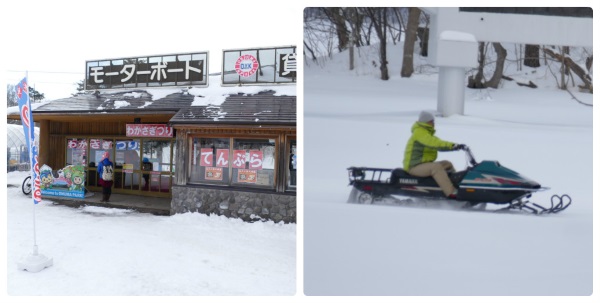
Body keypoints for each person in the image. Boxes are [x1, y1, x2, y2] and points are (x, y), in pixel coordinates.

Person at [403, 111, 465, 199]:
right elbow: (434, 143)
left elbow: (439, 144)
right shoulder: (420, 132)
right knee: (436, 167)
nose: (433, 123)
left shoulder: (426, 133)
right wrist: (452, 146)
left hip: (422, 164)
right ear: (426, 122)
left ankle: (454, 185)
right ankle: (451, 193)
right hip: (414, 166)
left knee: (447, 164)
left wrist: (456, 146)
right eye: (432, 121)